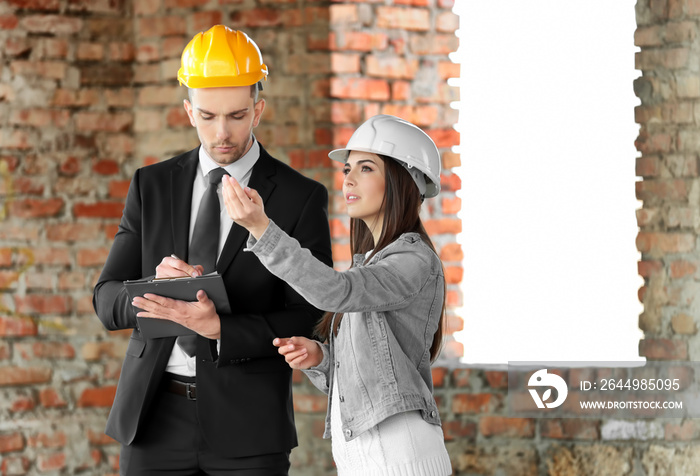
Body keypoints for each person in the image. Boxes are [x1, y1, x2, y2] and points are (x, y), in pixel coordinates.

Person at [92, 25, 332, 475]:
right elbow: (105, 300)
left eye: (237, 115)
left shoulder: (300, 197)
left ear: (258, 110)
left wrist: (223, 329)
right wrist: (153, 296)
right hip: (153, 421)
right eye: (207, 116)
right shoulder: (151, 185)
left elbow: (313, 316)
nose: (222, 132)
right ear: (188, 111)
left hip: (249, 427)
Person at [223, 114, 453, 474]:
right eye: (348, 168)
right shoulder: (372, 263)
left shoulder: (414, 261)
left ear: (403, 181)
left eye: (366, 168)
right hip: (361, 453)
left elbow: (336, 291)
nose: (348, 178)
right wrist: (321, 360)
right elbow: (371, 370)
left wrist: (261, 228)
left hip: (399, 451)